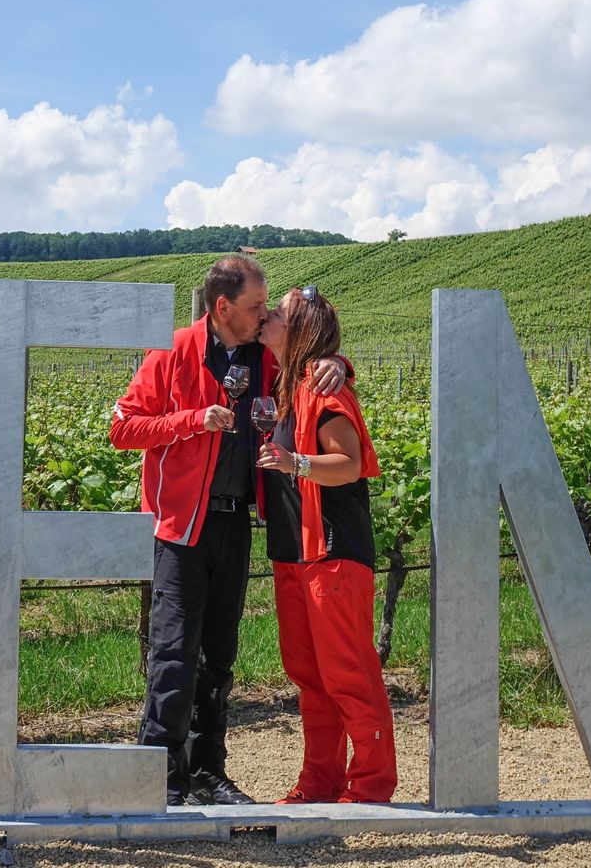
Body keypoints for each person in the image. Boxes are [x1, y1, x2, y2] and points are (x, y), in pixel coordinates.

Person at [110, 255, 345, 806]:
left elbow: (310, 362)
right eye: (256, 306)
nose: (265, 316)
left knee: (219, 654)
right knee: (173, 652)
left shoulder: (264, 355)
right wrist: (191, 420)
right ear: (222, 307)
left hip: (235, 520)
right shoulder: (171, 351)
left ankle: (207, 775)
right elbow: (122, 427)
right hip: (180, 527)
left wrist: (339, 361)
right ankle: (160, 778)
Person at [254, 286, 396, 804]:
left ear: (299, 331)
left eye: (278, 313)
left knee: (347, 672)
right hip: (293, 552)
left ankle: (373, 786)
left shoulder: (326, 389)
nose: (266, 316)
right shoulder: (287, 382)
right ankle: (319, 781)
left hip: (333, 550)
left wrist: (298, 464)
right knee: (310, 676)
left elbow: (351, 463)